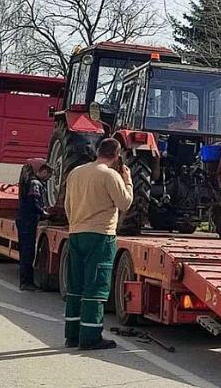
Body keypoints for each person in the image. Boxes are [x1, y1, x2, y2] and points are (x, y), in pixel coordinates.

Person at [63, 138, 132, 350]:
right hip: (100, 236)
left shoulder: (75, 172)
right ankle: (91, 337)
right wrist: (128, 180)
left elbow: (67, 205)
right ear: (117, 155)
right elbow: (125, 203)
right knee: (96, 286)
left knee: (75, 286)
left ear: (98, 151)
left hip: (76, 233)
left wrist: (76, 222)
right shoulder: (110, 175)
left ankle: (72, 335)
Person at [15, 158, 52, 291]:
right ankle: (26, 282)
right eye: (48, 173)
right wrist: (44, 213)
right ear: (41, 171)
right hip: (28, 221)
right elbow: (34, 202)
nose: (48, 177)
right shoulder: (35, 183)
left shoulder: (28, 181)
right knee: (28, 252)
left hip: (24, 220)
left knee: (26, 251)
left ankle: (26, 281)